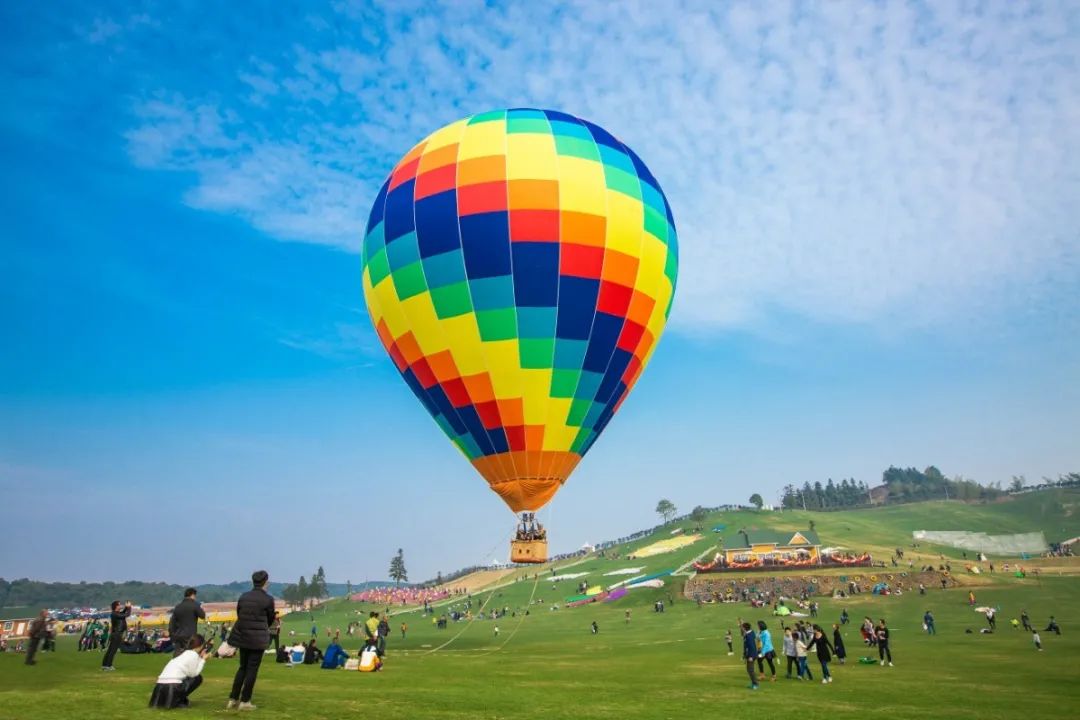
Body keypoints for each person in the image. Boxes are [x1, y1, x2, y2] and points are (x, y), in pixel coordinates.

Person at [225, 570, 275, 712]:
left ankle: (233, 699)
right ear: (265, 582)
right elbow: (270, 618)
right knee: (252, 669)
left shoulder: (244, 597)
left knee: (242, 667)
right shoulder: (268, 599)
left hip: (243, 636)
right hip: (258, 638)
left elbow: (239, 614)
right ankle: (245, 700)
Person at [149, 633, 211, 709]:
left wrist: (200, 658)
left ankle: (178, 699)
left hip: (160, 685)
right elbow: (193, 674)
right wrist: (203, 660)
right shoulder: (193, 654)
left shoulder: (183, 653)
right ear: (201, 645)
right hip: (173, 686)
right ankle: (179, 700)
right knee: (198, 678)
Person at [168, 588, 206, 657]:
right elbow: (203, 616)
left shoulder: (178, 606)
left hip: (178, 635)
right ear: (193, 595)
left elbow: (172, 622)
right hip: (190, 635)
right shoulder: (195, 605)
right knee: (189, 655)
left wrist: (172, 634)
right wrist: (201, 608)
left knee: (177, 656)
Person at [102, 600, 133, 671]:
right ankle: (108, 666)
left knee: (110, 650)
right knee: (112, 651)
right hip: (117, 634)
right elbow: (126, 615)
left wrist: (126, 607)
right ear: (116, 606)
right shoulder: (115, 614)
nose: (120, 606)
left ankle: (105, 665)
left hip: (115, 634)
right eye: (119, 605)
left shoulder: (115, 613)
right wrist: (129, 607)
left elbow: (123, 613)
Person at [741, 622, 759, 690]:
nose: (741, 629)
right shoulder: (751, 633)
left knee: (750, 670)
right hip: (751, 654)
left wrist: (750, 656)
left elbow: (751, 646)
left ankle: (755, 684)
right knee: (750, 670)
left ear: (745, 628)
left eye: (742, 627)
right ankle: (753, 683)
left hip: (751, 655)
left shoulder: (748, 636)